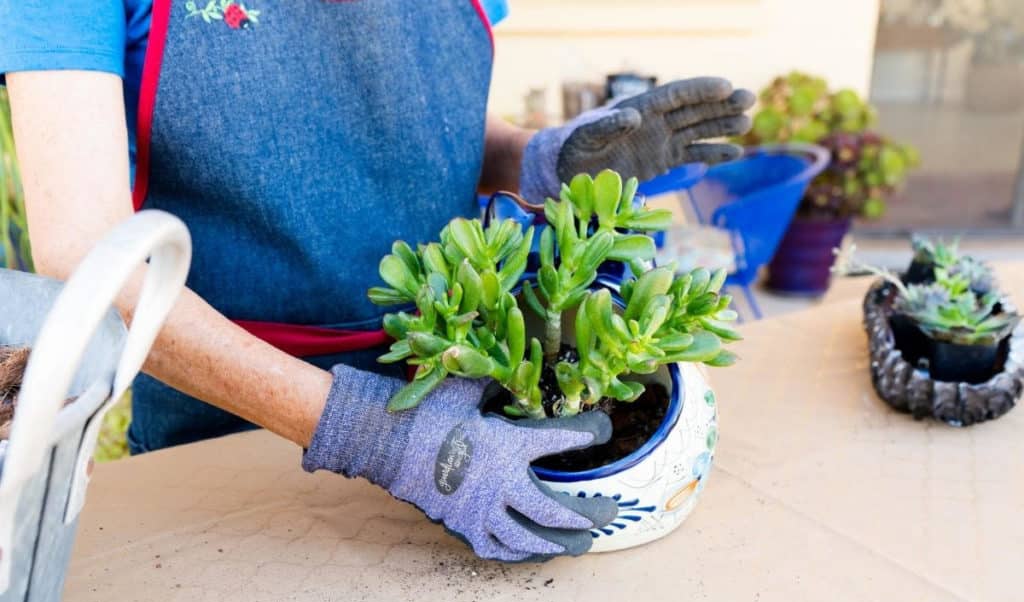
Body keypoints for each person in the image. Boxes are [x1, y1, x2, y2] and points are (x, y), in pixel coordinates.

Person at [0, 1, 753, 561]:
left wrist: (534, 160)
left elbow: (417, 120)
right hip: (225, 436)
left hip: (466, 388)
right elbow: (85, 250)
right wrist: (371, 432)